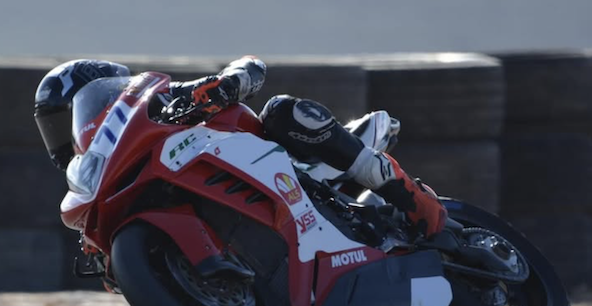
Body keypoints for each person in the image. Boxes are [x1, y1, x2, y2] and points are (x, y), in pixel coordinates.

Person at [34, 56, 446, 238]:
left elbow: (250, 66)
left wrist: (230, 82)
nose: (63, 134)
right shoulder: (101, 170)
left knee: (282, 111)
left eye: (64, 116)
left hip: (275, 162)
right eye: (52, 125)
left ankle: (397, 188)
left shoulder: (160, 100)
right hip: (226, 195)